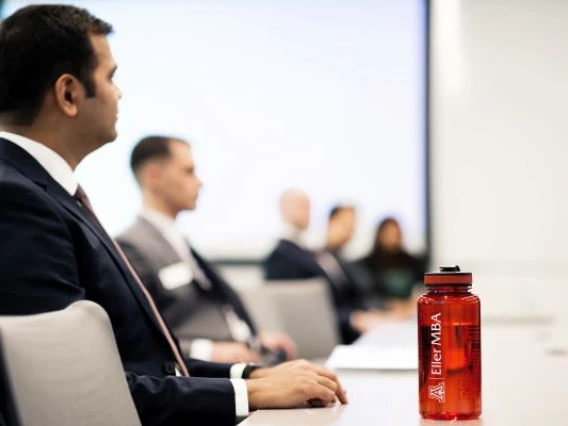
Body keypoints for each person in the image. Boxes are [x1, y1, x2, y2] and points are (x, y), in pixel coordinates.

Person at [0, 5, 346, 426]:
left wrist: (252, 374)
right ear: (69, 94)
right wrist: (247, 393)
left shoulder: (48, 192)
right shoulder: (16, 199)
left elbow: (146, 361)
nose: (120, 92)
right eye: (110, 77)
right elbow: (71, 388)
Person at [117, 136, 297, 364]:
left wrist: (255, 340)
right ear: (154, 176)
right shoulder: (132, 247)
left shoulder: (179, 241)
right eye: (188, 171)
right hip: (207, 373)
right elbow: (138, 339)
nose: (199, 182)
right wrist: (207, 351)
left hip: (245, 356)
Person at [263, 189, 394, 344]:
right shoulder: (281, 257)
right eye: (301, 206)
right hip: (325, 338)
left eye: (309, 206)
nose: (308, 212)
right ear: (283, 209)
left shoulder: (311, 252)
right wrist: (352, 319)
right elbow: (299, 312)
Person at [357, 217, 427, 306]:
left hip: (409, 311)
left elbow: (421, 287)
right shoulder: (366, 264)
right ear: (380, 235)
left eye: (395, 234)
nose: (392, 238)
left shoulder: (413, 262)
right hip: (380, 312)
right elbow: (368, 294)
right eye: (388, 234)